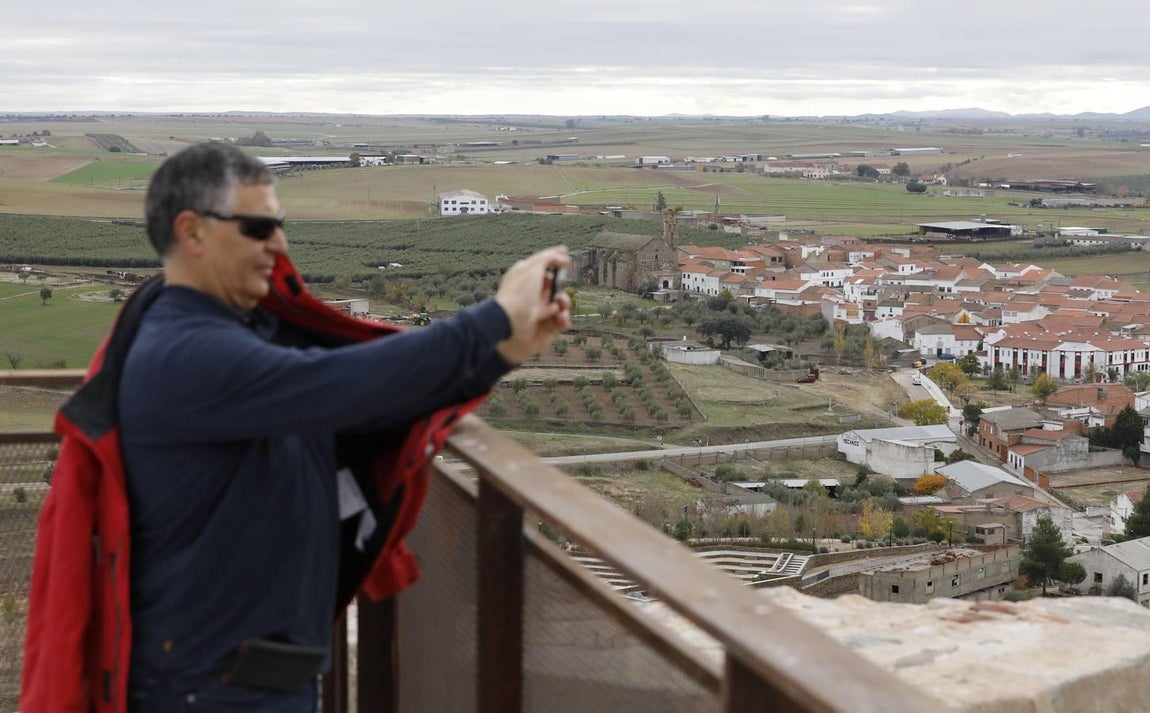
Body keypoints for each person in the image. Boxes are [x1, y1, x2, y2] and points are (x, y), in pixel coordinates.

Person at [21, 141, 571, 713]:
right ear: (192, 231)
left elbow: (364, 407)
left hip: (241, 681)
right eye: (260, 227)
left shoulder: (227, 334)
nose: (280, 245)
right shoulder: (187, 356)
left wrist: (500, 352)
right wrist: (493, 319)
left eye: (279, 225)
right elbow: (350, 384)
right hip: (208, 695)